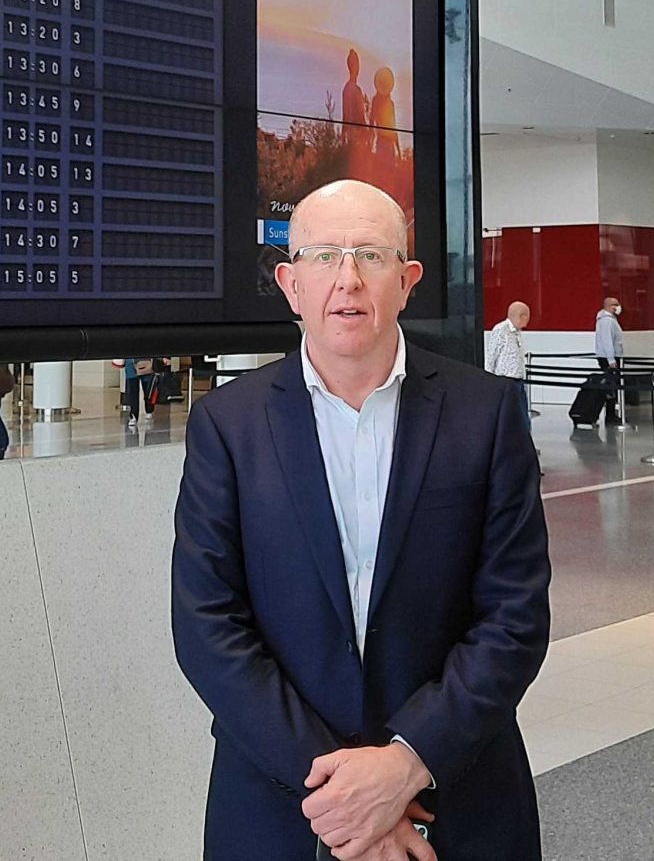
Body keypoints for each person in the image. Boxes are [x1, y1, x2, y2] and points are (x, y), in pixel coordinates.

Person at [172, 179, 550, 860]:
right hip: (280, 805)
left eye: (371, 256)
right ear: (290, 284)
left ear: (407, 281)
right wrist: (342, 795)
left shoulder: (486, 415)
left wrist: (404, 764)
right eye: (322, 256)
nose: (347, 279)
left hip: (456, 796)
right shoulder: (228, 426)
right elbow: (207, 626)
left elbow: (514, 617)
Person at [484, 300, 531, 426]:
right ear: (521, 316)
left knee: (523, 415)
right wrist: (490, 381)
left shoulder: (517, 332)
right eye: (527, 317)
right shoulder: (500, 330)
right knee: (509, 416)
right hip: (505, 381)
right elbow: (491, 356)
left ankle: (525, 442)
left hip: (518, 380)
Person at [594, 296, 624, 426]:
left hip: (609, 357)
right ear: (606, 306)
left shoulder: (610, 319)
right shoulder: (606, 321)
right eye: (614, 304)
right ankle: (610, 415)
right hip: (609, 358)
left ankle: (611, 414)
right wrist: (611, 359)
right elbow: (607, 341)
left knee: (612, 386)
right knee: (611, 386)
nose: (617, 307)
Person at [123, 358, 159, 425]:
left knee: (147, 389)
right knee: (133, 391)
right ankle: (133, 415)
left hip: (145, 361)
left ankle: (149, 410)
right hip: (131, 363)